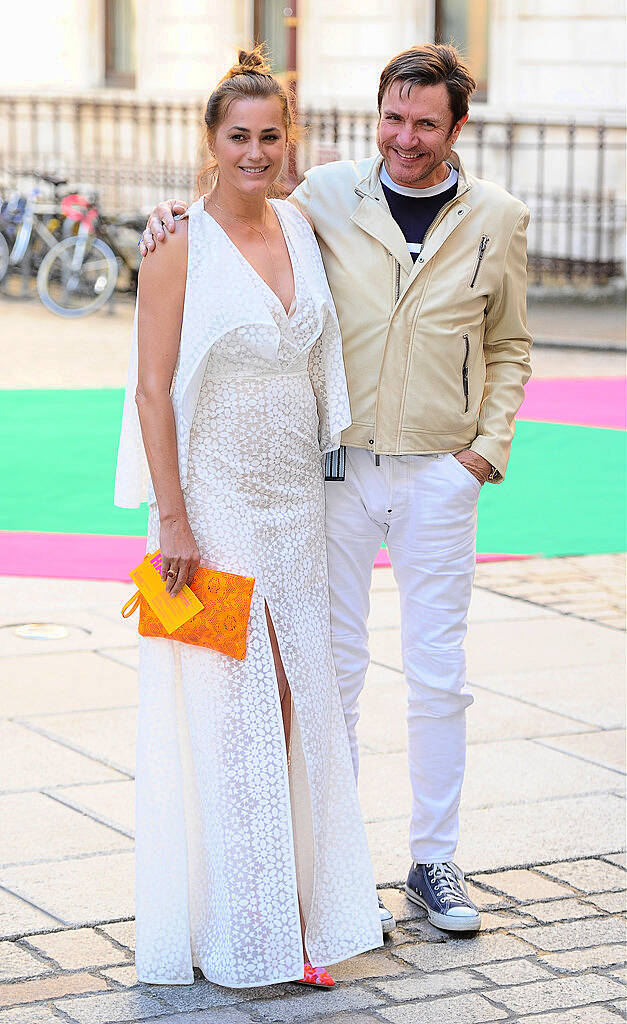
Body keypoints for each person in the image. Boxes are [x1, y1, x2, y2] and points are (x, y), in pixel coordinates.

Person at [141, 43, 532, 936]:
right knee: (329, 678)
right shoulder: (320, 194)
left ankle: (433, 862)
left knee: (439, 677)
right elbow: (228, 207)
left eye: (424, 122)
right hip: (336, 475)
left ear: (455, 127)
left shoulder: (498, 217)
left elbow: (510, 344)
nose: (404, 137)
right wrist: (166, 212)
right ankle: (337, 874)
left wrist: (483, 451)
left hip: (440, 472)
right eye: (392, 118)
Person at [115, 48, 382, 990]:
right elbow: (151, 392)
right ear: (211, 142)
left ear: (287, 141)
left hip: (293, 507)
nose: (256, 151)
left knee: (290, 704)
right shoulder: (176, 242)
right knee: (226, 711)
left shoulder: (302, 229)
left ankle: (296, 917)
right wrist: (175, 525)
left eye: (271, 136)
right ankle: (237, 926)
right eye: (239, 136)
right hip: (214, 506)